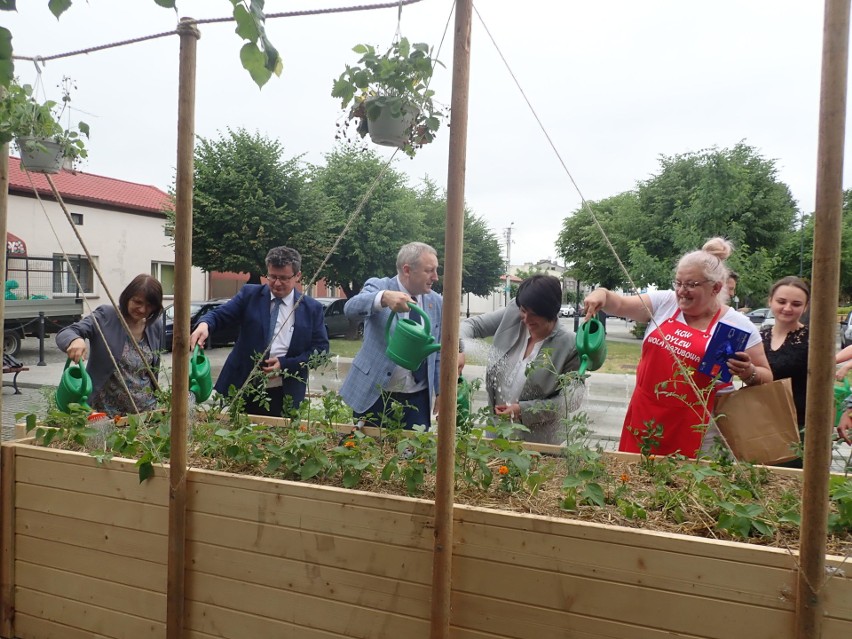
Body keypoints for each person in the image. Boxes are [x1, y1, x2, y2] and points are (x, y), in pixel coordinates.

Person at [582, 237, 772, 458]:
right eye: (678, 283)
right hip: (645, 417)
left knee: (686, 488)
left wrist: (749, 372)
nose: (682, 291)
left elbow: (766, 378)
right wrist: (602, 294)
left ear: (716, 288)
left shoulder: (738, 325)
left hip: (701, 430)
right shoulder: (664, 302)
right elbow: (620, 304)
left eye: (691, 285)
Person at [189, 246, 329, 417]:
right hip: (242, 387)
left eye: (284, 278)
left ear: (297, 276)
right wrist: (205, 325)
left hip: (285, 393)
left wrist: (285, 364)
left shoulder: (312, 309)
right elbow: (220, 315)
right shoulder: (250, 295)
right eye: (272, 276)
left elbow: (321, 351)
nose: (277, 283)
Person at [460, 274, 580, 444]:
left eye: (534, 315)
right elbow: (470, 326)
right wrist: (459, 349)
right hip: (497, 435)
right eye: (523, 311)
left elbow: (570, 401)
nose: (526, 319)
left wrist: (523, 411)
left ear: (551, 313)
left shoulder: (570, 345)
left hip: (539, 443)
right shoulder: (513, 314)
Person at [340, 242, 442, 429]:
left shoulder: (436, 302)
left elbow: (438, 354)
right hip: (375, 395)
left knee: (413, 456)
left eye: (436, 270)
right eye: (429, 271)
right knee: (368, 454)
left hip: (417, 400)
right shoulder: (379, 286)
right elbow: (350, 309)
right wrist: (384, 297)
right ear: (407, 270)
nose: (435, 277)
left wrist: (442, 392)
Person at [56, 274, 164, 416]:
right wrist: (75, 340)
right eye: (137, 302)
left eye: (149, 305)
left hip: (146, 413)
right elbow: (66, 332)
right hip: (106, 415)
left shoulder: (155, 326)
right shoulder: (106, 316)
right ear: (127, 298)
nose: (143, 309)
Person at [760, 276, 810, 466]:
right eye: (781, 301)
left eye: (796, 304)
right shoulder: (760, 335)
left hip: (799, 426)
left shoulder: (812, 340)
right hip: (761, 423)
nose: (787, 308)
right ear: (770, 301)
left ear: (805, 307)